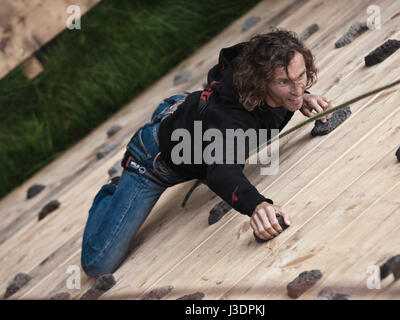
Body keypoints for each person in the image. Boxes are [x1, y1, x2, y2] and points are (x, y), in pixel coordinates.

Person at [81, 29, 332, 278]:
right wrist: (256, 205)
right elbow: (221, 170)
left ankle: (175, 112)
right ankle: (113, 192)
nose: (298, 89)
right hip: (153, 159)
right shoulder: (233, 120)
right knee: (98, 263)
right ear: (260, 82)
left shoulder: (268, 74)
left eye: (301, 77)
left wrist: (303, 99)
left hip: (187, 115)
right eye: (284, 82)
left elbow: (289, 85)